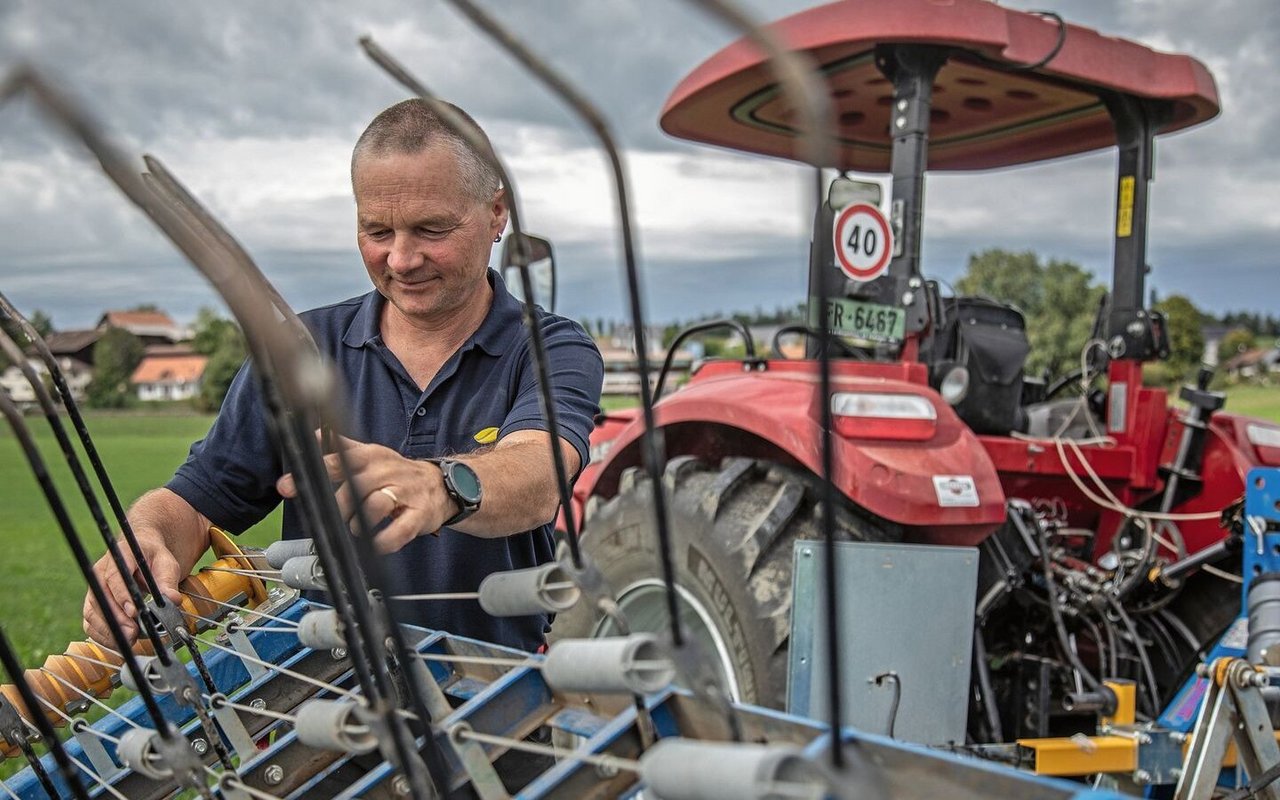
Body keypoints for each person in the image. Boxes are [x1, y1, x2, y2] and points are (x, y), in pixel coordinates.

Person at [82, 99, 604, 652]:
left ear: (496, 213)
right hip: (323, 712)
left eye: (431, 229)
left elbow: (539, 471)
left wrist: (441, 485)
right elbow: (194, 500)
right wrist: (147, 538)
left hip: (497, 705)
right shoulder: (298, 354)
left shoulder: (550, 348)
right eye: (377, 231)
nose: (401, 259)